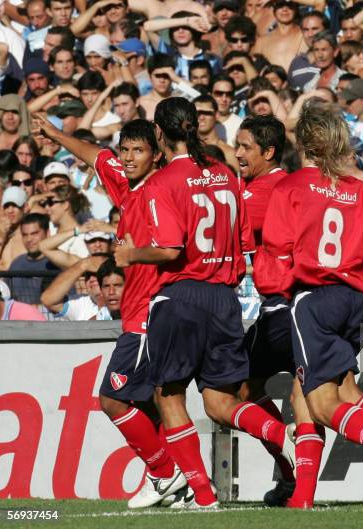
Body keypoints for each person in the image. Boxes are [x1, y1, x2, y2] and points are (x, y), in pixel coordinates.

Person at [114, 97, 295, 510]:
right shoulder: (225, 174)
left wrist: (132, 254)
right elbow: (244, 244)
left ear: (159, 134)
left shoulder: (162, 183)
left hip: (182, 296)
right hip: (225, 298)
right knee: (219, 401)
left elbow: (170, 248)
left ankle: (202, 494)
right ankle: (284, 436)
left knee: (168, 395)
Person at [255, 101, 363, 507]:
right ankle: (305, 498)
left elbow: (276, 254)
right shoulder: (361, 191)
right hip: (353, 298)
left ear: (304, 143)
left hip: (312, 298)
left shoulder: (290, 187)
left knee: (318, 402)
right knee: (346, 389)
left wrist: (272, 286)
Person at [36, 113, 192, 508]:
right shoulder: (126, 184)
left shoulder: (161, 191)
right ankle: (186, 485)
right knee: (153, 404)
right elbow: (96, 156)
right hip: (142, 314)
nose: (126, 158)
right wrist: (56, 134)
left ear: (156, 155)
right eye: (125, 150)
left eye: (137, 151)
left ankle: (163, 474)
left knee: (112, 399)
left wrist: (135, 254)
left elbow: (173, 249)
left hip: (149, 315)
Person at [235, 115, 321, 509]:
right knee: (313, 401)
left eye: (245, 147)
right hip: (304, 307)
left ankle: (292, 473)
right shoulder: (284, 185)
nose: (237, 153)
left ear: (269, 153)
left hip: (282, 308)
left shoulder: (264, 191)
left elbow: (224, 227)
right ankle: (296, 482)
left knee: (242, 390)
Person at [7, 213, 58, 304]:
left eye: (34, 233)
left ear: (48, 233)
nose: (29, 239)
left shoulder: (57, 263)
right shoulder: (16, 264)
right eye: (25, 235)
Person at [0, 186, 27, 270]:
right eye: (7, 206)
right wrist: (1, 237)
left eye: (15, 205)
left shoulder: (31, 235)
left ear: (25, 207)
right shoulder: (0, 234)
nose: (10, 210)